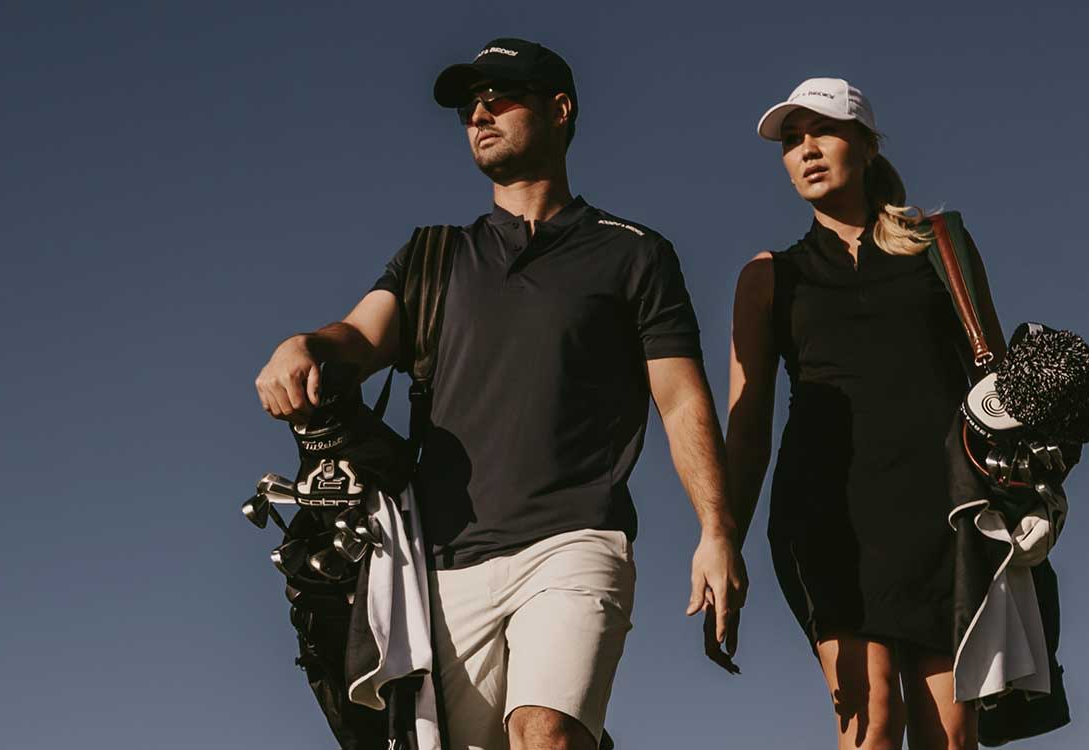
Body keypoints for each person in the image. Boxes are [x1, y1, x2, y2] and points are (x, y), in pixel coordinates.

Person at [255, 38, 747, 750]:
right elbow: (359, 340)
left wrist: (716, 531)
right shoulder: (434, 255)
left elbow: (679, 399)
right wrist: (302, 345)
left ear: (560, 109)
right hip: (440, 561)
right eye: (468, 105)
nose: (479, 113)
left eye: (500, 96)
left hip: (575, 536)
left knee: (543, 734)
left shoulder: (633, 253)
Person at [726, 78, 1004, 750]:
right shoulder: (769, 275)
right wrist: (721, 538)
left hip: (942, 511)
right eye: (791, 142)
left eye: (822, 131)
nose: (806, 151)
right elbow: (748, 420)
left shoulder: (941, 246)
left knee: (951, 733)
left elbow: (996, 384)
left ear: (867, 144)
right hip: (825, 514)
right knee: (871, 718)